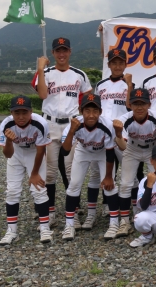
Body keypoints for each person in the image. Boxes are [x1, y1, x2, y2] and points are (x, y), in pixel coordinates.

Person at [33, 37, 92, 225]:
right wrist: (40, 69)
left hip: (70, 124)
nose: (61, 54)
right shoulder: (46, 73)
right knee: (50, 171)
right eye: (58, 50)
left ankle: (72, 211)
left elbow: (88, 98)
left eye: (64, 50)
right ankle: (49, 213)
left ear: (70, 51)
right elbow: (42, 94)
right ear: (52, 53)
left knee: (70, 170)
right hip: (50, 123)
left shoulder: (79, 74)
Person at [60, 94, 124, 241]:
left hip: (102, 152)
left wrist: (108, 177)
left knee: (109, 186)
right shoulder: (74, 124)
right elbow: (65, 151)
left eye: (95, 111)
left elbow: (110, 153)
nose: (91, 115)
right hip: (83, 151)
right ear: (80, 111)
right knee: (74, 184)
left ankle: (114, 223)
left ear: (100, 112)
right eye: (87, 110)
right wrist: (71, 131)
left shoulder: (107, 125)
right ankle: (69, 225)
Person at [0, 96, 52, 245]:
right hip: (15, 152)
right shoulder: (6, 124)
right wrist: (9, 141)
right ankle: (11, 231)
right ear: (11, 113)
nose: (21, 116)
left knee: (38, 189)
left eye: (25, 112)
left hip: (34, 152)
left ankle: (45, 228)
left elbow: (41, 150)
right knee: (12, 191)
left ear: (31, 111)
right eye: (17, 113)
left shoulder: (40, 123)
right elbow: (8, 154)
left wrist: (34, 174)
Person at [113, 88, 156, 238]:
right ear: (130, 105)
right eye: (136, 104)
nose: (139, 107)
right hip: (131, 148)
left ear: (149, 104)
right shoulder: (124, 119)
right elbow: (123, 147)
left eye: (143, 103)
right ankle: (125, 222)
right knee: (125, 183)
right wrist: (118, 134)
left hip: (151, 149)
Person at [93, 48, 134, 221]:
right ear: (109, 64)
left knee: (129, 168)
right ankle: (107, 204)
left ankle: (133, 203)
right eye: (114, 63)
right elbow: (95, 108)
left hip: (122, 132)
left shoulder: (131, 84)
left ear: (125, 64)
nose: (117, 66)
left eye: (120, 63)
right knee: (107, 169)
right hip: (103, 131)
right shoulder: (101, 85)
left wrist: (129, 86)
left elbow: (131, 107)